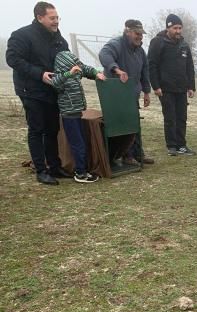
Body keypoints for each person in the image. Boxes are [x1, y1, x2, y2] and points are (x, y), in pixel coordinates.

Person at [6, 1, 71, 185]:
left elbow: (66, 58)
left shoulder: (58, 38)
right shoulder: (22, 35)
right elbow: (13, 59)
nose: (56, 21)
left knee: (52, 129)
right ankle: (41, 170)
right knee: (37, 129)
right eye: (52, 18)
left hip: (52, 89)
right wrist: (39, 74)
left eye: (57, 17)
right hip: (30, 90)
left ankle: (55, 166)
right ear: (39, 17)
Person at [99, 19, 153, 164]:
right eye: (137, 33)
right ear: (127, 31)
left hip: (131, 95)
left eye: (141, 34)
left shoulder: (140, 51)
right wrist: (116, 69)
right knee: (122, 126)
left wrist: (146, 92)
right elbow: (104, 55)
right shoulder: (116, 44)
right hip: (115, 95)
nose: (140, 37)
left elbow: (145, 71)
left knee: (134, 124)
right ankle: (125, 156)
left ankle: (137, 154)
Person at [51, 51, 105, 182]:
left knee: (81, 142)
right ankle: (80, 173)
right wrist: (69, 73)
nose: (78, 66)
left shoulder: (76, 72)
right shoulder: (61, 76)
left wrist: (96, 73)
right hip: (69, 116)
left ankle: (83, 169)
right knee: (78, 144)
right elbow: (55, 82)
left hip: (77, 113)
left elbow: (85, 68)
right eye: (74, 64)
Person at [148, 14, 196, 156]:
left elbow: (190, 67)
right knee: (170, 118)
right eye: (175, 28)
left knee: (182, 118)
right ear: (168, 27)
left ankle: (182, 145)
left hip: (181, 88)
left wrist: (191, 86)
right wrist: (155, 86)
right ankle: (172, 146)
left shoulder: (184, 45)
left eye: (180, 28)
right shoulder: (158, 42)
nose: (178, 31)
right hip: (165, 88)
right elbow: (152, 65)